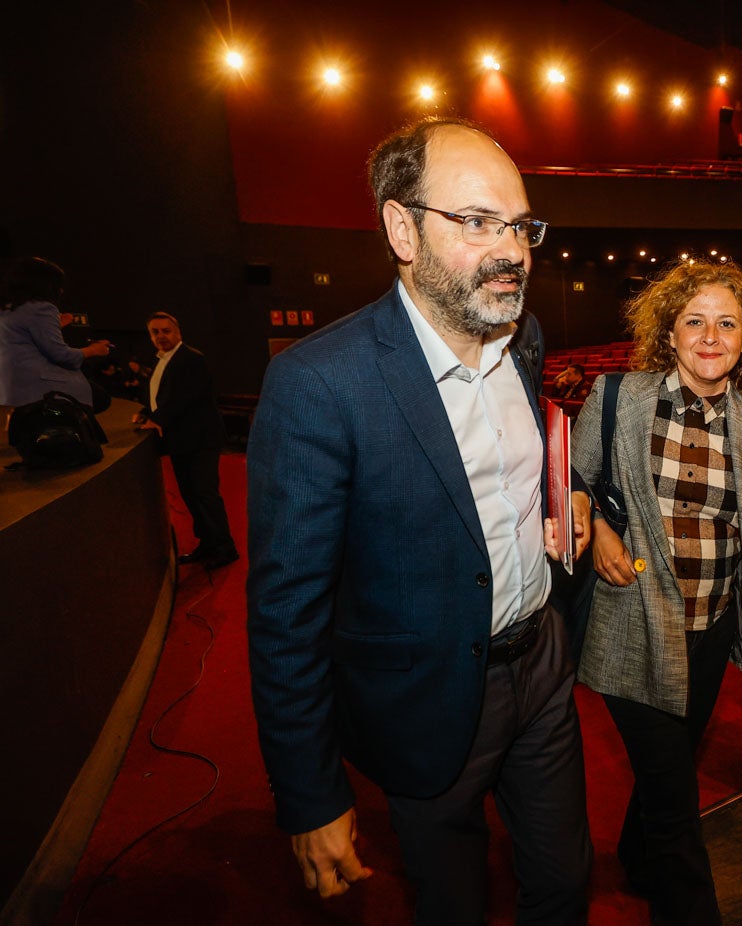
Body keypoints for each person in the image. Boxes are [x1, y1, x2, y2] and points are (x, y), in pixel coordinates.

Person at [246, 117, 593, 926]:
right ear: (401, 228)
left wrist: (565, 494)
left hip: (542, 668)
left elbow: (523, 462)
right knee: (451, 903)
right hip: (424, 700)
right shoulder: (318, 385)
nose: (511, 250)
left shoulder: (525, 337)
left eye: (519, 225)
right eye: (476, 222)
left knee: (565, 885)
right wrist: (309, 793)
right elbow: (284, 614)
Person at [572, 259, 742, 926]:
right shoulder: (617, 397)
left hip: (711, 632)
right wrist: (596, 534)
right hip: (630, 625)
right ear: (669, 335)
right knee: (676, 798)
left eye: (726, 324)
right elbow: (570, 479)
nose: (710, 336)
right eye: (694, 321)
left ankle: (635, 860)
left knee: (664, 767)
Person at [135, 312, 237, 568]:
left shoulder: (191, 358)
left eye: (165, 331)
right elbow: (162, 396)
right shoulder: (161, 361)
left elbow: (185, 397)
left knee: (205, 494)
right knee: (190, 495)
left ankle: (226, 549)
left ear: (178, 333)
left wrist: (158, 419)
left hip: (200, 439)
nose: (161, 336)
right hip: (180, 441)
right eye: (155, 332)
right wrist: (146, 412)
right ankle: (207, 543)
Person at [0, 257, 111, 413]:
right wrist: (94, 349)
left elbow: (21, 338)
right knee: (101, 398)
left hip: (10, 384)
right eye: (58, 285)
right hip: (37, 384)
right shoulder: (43, 308)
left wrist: (56, 325)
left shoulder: (8, 309)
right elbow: (61, 355)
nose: (61, 291)